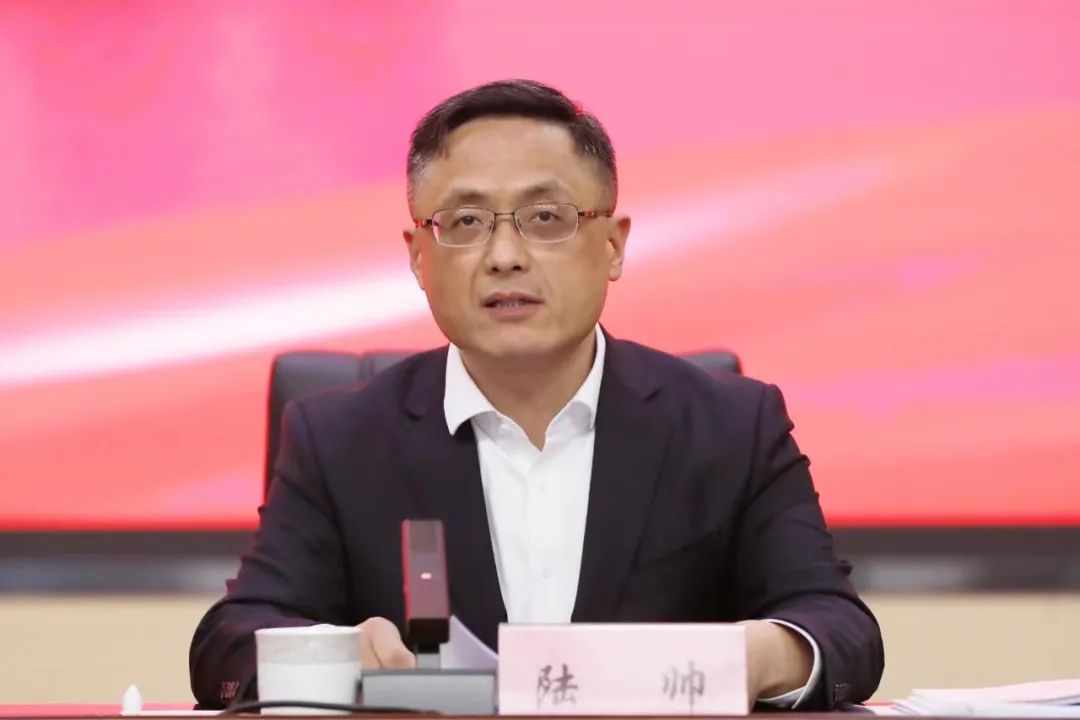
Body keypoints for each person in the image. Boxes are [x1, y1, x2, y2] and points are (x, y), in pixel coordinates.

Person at [189, 79, 884, 710]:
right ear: (418, 257)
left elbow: (839, 628)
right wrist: (334, 656)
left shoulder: (731, 426)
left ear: (613, 245)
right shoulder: (340, 439)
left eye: (546, 218)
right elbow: (230, 641)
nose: (505, 256)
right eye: (465, 223)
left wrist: (762, 655)